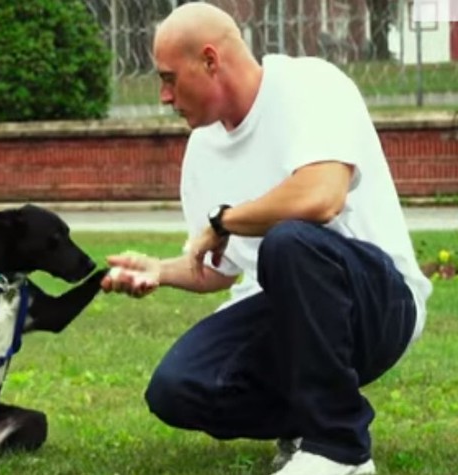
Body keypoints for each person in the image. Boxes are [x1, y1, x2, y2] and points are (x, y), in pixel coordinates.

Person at [99, 2, 433, 475]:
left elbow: (321, 198)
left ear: (211, 60)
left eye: (170, 78)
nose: (163, 97)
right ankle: (305, 420)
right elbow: (219, 268)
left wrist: (223, 220)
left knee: (290, 240)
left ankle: (340, 449)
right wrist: (161, 270)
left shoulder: (310, 85)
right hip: (288, 314)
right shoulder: (202, 150)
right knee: (177, 386)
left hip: (379, 305)